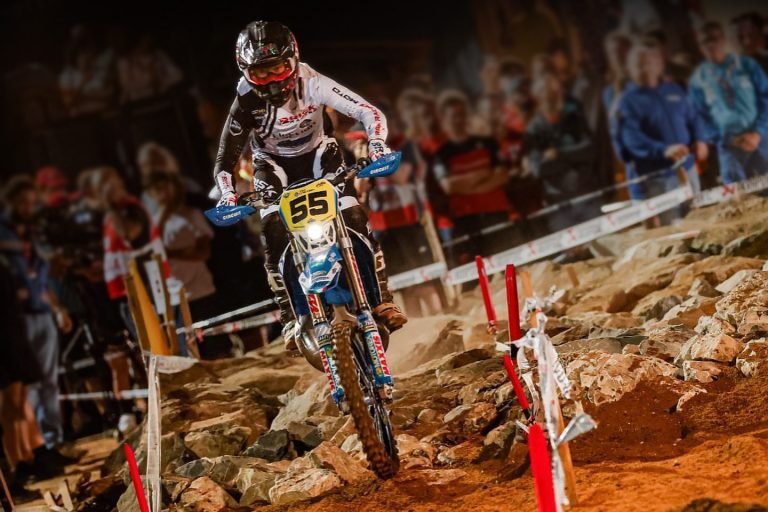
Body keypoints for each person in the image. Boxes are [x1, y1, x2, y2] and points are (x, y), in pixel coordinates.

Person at [211, 21, 407, 351]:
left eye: (278, 68)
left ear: (294, 60)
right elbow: (224, 159)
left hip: (319, 155)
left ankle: (382, 300)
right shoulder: (244, 101)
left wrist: (376, 144)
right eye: (261, 74)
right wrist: (229, 195)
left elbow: (366, 111)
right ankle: (290, 317)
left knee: (354, 216)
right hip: (273, 167)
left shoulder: (312, 81)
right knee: (272, 230)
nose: (273, 80)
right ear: (245, 73)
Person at [0, 177, 73, 459]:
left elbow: (40, 279)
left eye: (32, 202)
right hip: (15, 318)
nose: (28, 207)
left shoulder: (34, 233)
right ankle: (34, 449)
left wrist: (58, 309)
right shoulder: (4, 233)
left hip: (41, 311)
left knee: (49, 381)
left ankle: (52, 441)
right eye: (23, 202)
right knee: (24, 386)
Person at [145, 171, 231, 358]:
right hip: (174, 298)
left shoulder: (191, 215)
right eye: (156, 189)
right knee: (190, 354)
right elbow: (153, 254)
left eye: (165, 186)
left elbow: (203, 252)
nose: (163, 192)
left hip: (201, 291)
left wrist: (171, 254)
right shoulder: (151, 223)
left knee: (217, 349)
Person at [431, 90, 515, 265]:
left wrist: (468, 185)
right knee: (479, 272)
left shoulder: (488, 143)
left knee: (510, 262)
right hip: (466, 219)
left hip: (496, 211)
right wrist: (482, 175)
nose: (458, 120)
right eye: (453, 116)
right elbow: (449, 187)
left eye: (461, 114)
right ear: (444, 119)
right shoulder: (441, 155)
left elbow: (502, 176)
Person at [617, 43, 706, 205]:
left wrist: (700, 139)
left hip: (687, 169)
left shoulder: (673, 90)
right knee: (674, 225)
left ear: (659, 65)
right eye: (639, 64)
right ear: (630, 69)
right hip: (658, 177)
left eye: (649, 62)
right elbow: (631, 138)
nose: (645, 68)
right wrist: (663, 150)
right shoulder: (627, 102)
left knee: (699, 218)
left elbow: (694, 117)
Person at [689, 21, 768, 184]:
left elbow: (766, 98)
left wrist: (758, 132)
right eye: (705, 41)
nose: (711, 44)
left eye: (714, 38)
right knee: (737, 199)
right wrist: (729, 140)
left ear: (723, 39)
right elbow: (699, 117)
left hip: (760, 139)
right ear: (699, 45)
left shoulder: (746, 65)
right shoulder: (698, 80)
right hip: (729, 147)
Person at [523, 72, 598, 230]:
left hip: (587, 195)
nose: (554, 97)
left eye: (556, 92)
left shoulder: (574, 117)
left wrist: (559, 154)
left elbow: (589, 151)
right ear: (537, 97)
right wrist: (572, 158)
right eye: (548, 94)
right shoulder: (533, 130)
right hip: (559, 206)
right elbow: (539, 168)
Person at [59, 25, 117, 116]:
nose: (87, 57)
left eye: (89, 52)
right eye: (83, 54)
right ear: (76, 56)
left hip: (104, 113)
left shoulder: (100, 71)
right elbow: (68, 103)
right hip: (82, 119)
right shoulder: (67, 76)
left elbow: (110, 94)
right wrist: (83, 83)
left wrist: (84, 96)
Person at [118, 33, 183, 103]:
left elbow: (178, 75)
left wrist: (162, 83)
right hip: (138, 104)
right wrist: (149, 81)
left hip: (163, 99)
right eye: (144, 40)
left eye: (149, 40)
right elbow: (127, 85)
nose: (147, 43)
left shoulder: (159, 55)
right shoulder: (125, 62)